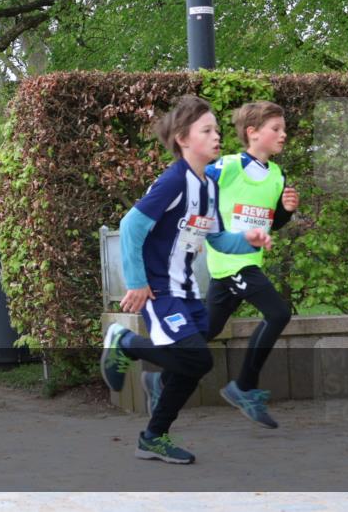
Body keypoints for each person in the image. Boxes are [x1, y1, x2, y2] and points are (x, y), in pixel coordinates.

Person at [101, 95, 272, 465]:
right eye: (207, 130)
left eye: (217, 130)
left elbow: (217, 239)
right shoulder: (174, 181)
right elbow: (131, 227)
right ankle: (125, 342)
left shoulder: (209, 187)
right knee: (194, 358)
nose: (217, 137)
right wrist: (136, 282)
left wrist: (248, 240)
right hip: (160, 291)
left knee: (193, 363)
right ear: (182, 138)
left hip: (187, 292)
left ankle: (152, 438)